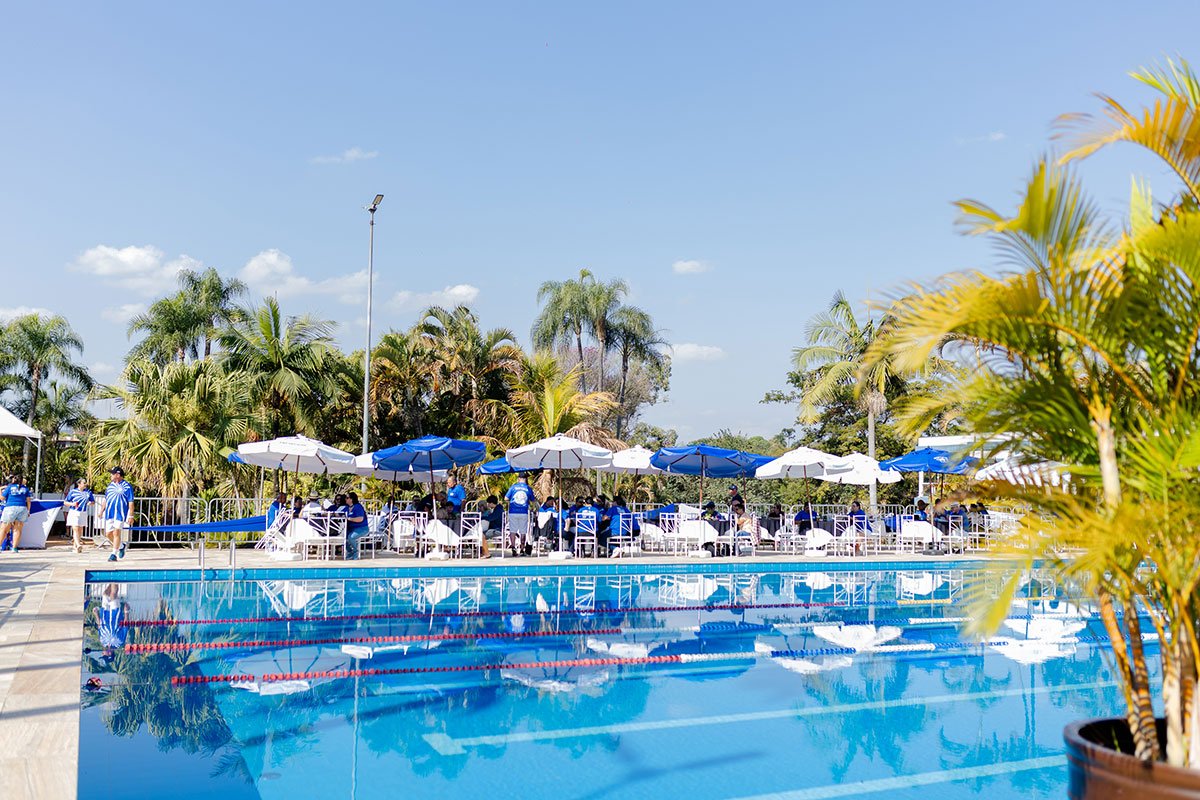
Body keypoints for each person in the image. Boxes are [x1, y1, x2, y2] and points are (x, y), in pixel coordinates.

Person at [101, 467, 134, 562]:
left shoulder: (127, 486)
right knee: (108, 534)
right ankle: (121, 546)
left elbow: (131, 502)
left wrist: (131, 515)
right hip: (110, 513)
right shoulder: (110, 485)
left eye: (112, 474)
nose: (111, 475)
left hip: (120, 513)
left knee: (116, 532)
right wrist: (101, 511)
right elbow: (106, 499)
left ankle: (113, 554)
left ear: (118, 475)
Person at [1, 473, 31, 553]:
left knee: (4, 529)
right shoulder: (25, 488)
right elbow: (28, 501)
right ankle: (14, 548)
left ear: (14, 479)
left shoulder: (9, 487)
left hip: (10, 508)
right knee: (17, 529)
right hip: (22, 508)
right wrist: (28, 511)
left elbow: (2, 498)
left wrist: (0, 490)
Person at [65, 477, 95, 553]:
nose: (85, 484)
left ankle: (75, 547)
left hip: (83, 512)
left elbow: (93, 501)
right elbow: (65, 502)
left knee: (80, 530)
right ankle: (78, 544)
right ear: (79, 484)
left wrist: (90, 503)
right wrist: (72, 504)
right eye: (83, 483)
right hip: (74, 511)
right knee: (75, 528)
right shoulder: (73, 492)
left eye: (85, 483)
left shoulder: (88, 492)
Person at [505, 477, 535, 551]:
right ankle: (522, 549)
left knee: (513, 531)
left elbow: (506, 498)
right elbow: (533, 500)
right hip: (523, 512)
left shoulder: (513, 487)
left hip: (513, 511)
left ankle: (513, 547)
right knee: (523, 531)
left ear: (518, 479)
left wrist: (512, 501)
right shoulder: (528, 488)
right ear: (525, 479)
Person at [344, 491, 370, 559]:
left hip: (362, 528)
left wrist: (350, 519)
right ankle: (350, 552)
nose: (345, 499)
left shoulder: (358, 507)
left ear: (351, 499)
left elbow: (360, 519)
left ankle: (355, 552)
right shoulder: (346, 508)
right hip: (351, 529)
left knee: (351, 537)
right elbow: (339, 514)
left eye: (347, 498)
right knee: (343, 537)